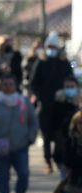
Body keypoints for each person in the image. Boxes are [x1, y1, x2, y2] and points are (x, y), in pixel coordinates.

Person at [26, 32, 73, 172]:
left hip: (61, 106)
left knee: (59, 134)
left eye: (54, 46)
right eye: (50, 46)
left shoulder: (64, 62)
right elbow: (33, 83)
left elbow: (71, 80)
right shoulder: (41, 62)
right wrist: (41, 96)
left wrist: (66, 93)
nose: (52, 49)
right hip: (45, 106)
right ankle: (47, 161)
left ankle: (58, 158)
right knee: (46, 135)